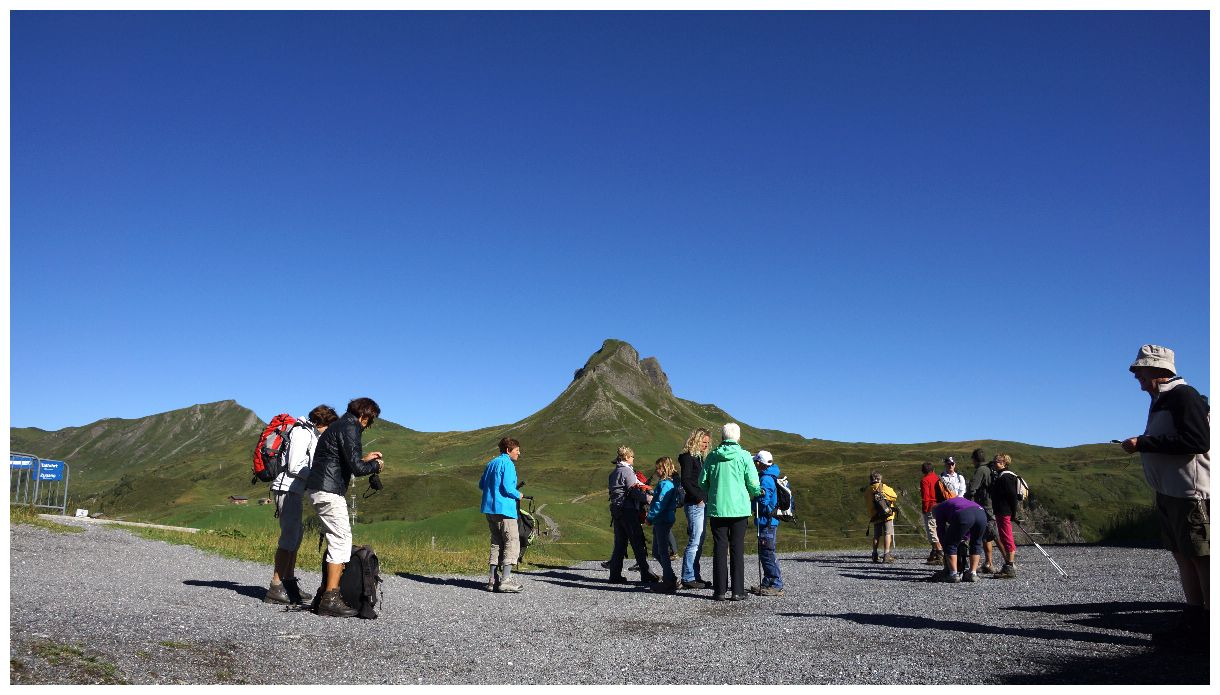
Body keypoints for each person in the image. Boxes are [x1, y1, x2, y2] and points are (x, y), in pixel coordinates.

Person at [1120, 344, 1210, 645]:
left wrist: (1144, 443)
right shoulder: (1162, 400)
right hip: (1171, 492)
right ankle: (1193, 620)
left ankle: (1207, 627)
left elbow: (1197, 440)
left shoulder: (1183, 396)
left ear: (1159, 369)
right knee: (1183, 555)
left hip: (1191, 493)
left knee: (1201, 558)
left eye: (1140, 370)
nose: (1136, 376)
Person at [304, 397, 383, 617]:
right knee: (341, 541)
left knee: (335, 540)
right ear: (363, 415)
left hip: (320, 487)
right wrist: (375, 465)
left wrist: (364, 459)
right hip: (329, 490)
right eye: (370, 420)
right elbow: (357, 469)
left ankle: (324, 593)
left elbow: (344, 459)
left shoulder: (340, 425)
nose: (369, 425)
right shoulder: (351, 427)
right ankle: (330, 598)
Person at [265, 404, 339, 606]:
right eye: (329, 427)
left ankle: (288, 582)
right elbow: (294, 465)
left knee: (296, 536)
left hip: (295, 490)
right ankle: (275, 586)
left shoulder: (311, 433)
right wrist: (317, 477)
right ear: (322, 422)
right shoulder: (302, 433)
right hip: (286, 488)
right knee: (289, 536)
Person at [698, 423, 762, 601]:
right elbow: (753, 483)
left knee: (719, 548)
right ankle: (737, 591)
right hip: (739, 509)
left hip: (718, 508)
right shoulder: (744, 456)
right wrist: (757, 492)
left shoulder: (712, 456)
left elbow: (702, 481)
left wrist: (713, 490)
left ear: (722, 437)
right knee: (737, 548)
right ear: (738, 437)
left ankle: (719, 591)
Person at [607, 446, 659, 584]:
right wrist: (648, 499)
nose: (633, 459)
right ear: (627, 457)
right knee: (637, 542)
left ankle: (614, 575)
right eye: (632, 456)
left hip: (616, 511)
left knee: (620, 544)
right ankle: (646, 574)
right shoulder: (627, 471)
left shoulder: (614, 473)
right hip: (628, 510)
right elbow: (633, 492)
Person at [479, 437, 525, 593]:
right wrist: (518, 495)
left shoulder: (491, 463)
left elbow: (481, 485)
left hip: (490, 509)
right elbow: (507, 488)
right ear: (508, 450)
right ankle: (505, 580)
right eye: (517, 450)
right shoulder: (508, 464)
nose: (519, 453)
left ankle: (492, 580)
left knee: (496, 542)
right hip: (505, 510)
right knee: (511, 542)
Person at [678, 427, 712, 589]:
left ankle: (695, 575)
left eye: (707, 443)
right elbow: (685, 480)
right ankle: (688, 577)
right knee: (695, 541)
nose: (706, 445)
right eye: (703, 442)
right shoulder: (687, 457)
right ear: (696, 440)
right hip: (694, 503)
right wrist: (698, 498)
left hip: (702, 503)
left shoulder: (700, 458)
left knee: (699, 541)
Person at [931, 495, 989, 583]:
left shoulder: (938, 510)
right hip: (981, 513)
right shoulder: (953, 502)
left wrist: (944, 545)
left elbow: (940, 530)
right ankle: (972, 573)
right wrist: (964, 538)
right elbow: (969, 526)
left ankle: (953, 574)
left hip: (963, 514)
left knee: (950, 544)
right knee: (976, 543)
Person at [750, 450, 784, 596]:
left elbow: (764, 501)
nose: (754, 464)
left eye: (755, 462)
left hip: (767, 520)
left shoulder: (766, 479)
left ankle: (776, 584)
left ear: (759, 463)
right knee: (765, 552)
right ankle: (768, 581)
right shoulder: (770, 476)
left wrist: (753, 501)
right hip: (768, 520)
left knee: (768, 552)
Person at [646, 456, 681, 594]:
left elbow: (660, 504)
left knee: (662, 552)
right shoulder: (669, 483)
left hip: (662, 519)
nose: (657, 471)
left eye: (659, 468)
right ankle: (670, 577)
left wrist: (650, 517)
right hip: (663, 519)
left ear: (665, 468)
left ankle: (669, 581)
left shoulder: (666, 484)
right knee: (657, 551)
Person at [965, 447, 1000, 574]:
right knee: (987, 536)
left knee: (994, 535)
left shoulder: (980, 470)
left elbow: (972, 488)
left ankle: (1009, 562)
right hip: (991, 505)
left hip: (984, 507)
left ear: (974, 459)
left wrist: (967, 501)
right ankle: (988, 563)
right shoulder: (989, 469)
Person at [989, 454, 1020, 578]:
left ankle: (1009, 565)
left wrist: (1013, 513)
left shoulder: (1005, 477)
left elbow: (1012, 496)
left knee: (1006, 537)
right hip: (1003, 511)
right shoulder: (1004, 476)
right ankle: (1008, 564)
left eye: (997, 461)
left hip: (1004, 511)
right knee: (1004, 536)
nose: (994, 463)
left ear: (1004, 463)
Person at [867, 472, 898, 563]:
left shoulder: (868, 490)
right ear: (879, 479)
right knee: (887, 533)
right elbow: (894, 496)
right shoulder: (883, 487)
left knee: (876, 535)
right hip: (886, 514)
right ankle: (886, 555)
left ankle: (874, 554)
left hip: (875, 515)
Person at [919, 462, 944, 566]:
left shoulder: (925, 480)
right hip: (941, 506)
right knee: (939, 529)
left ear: (923, 471)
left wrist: (925, 509)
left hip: (931, 507)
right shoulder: (938, 478)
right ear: (933, 469)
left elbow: (926, 496)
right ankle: (934, 553)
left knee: (932, 530)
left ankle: (940, 554)